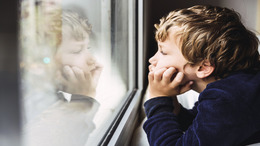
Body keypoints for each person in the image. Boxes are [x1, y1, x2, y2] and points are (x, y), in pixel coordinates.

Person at [143, 5, 260, 146]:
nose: (152, 59)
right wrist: (171, 103)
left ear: (204, 67)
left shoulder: (226, 99)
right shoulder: (233, 87)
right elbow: (204, 127)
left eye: (163, 52)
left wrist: (157, 99)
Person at [23, 4, 102, 146]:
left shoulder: (56, 93)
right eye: (77, 51)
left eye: (88, 48)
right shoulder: (35, 102)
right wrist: (82, 101)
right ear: (40, 64)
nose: (92, 59)